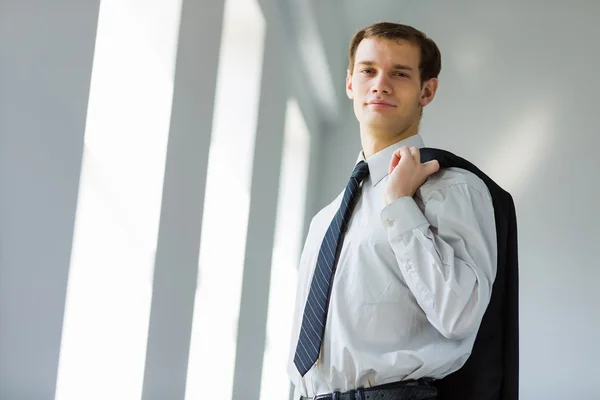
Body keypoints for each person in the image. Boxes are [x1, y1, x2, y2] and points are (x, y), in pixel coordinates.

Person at [286, 22, 499, 400]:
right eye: (368, 70)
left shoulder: (453, 189)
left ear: (426, 90)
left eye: (399, 73)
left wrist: (400, 204)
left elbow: (460, 315)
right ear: (350, 82)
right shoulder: (326, 219)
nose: (380, 84)